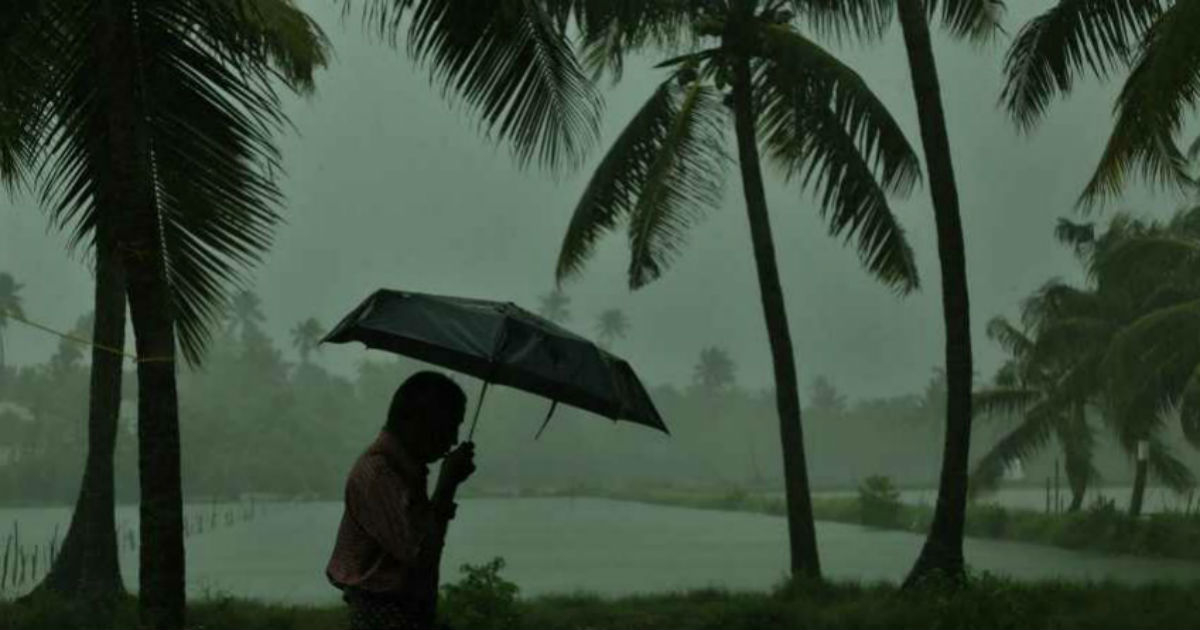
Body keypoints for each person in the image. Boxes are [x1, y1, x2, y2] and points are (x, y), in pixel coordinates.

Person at [326, 371, 477, 630]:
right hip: (383, 616)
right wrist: (447, 485)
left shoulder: (405, 472)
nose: (453, 440)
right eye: (449, 426)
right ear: (420, 423)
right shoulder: (379, 475)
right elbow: (420, 553)